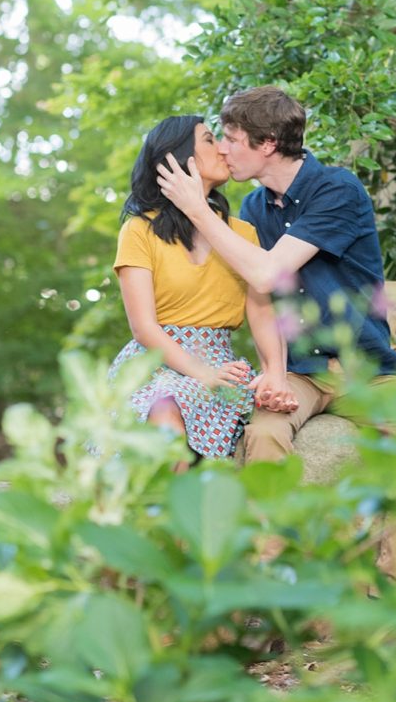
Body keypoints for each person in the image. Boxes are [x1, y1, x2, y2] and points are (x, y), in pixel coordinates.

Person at [155, 89, 396, 483]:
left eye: (232, 139)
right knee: (263, 436)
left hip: (367, 370)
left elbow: (268, 274)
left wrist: (196, 209)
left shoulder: (338, 190)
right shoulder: (254, 208)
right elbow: (262, 299)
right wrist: (274, 372)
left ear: (268, 143)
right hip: (300, 373)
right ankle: (269, 546)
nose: (223, 149)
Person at [111, 113, 296, 466]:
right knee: (164, 412)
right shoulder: (138, 231)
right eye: (210, 139)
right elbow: (143, 328)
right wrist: (203, 373)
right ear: (180, 157)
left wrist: (275, 373)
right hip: (154, 363)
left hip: (221, 363)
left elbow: (261, 312)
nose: (223, 149)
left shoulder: (242, 234)